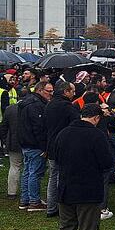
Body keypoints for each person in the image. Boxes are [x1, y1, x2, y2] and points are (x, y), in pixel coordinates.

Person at [53, 103, 114, 230]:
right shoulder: (96, 135)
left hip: (65, 189)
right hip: (88, 191)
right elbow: (106, 162)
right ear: (96, 118)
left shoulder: (63, 134)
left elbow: (56, 158)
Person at [44, 82, 80, 217]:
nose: (74, 94)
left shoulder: (49, 104)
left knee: (53, 177)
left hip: (51, 145)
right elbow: (76, 124)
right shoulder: (67, 106)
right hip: (63, 146)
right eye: (73, 91)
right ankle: (62, 207)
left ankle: (51, 207)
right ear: (66, 91)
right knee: (62, 177)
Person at [17, 81, 53, 212]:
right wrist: (44, 147)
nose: (51, 94)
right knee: (35, 173)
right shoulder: (37, 105)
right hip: (34, 144)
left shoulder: (26, 102)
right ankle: (34, 202)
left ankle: (25, 200)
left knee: (27, 172)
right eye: (48, 91)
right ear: (39, 90)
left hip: (26, 143)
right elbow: (39, 128)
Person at [0, 99, 22, 200]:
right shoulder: (32, 107)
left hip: (13, 142)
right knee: (30, 169)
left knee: (14, 167)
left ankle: (11, 192)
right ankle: (27, 192)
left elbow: (4, 127)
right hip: (29, 142)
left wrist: (5, 141)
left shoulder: (10, 109)